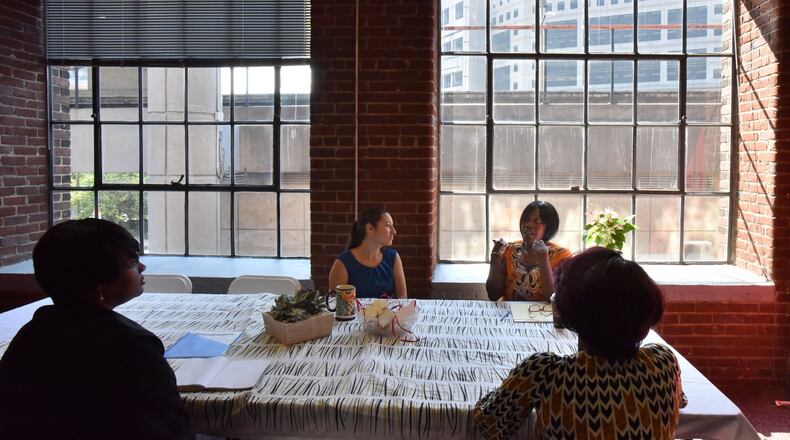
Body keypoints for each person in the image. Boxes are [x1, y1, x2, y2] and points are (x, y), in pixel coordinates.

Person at [0, 219, 192, 439]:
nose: (142, 267)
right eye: (131, 263)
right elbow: (171, 429)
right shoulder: (132, 346)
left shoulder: (32, 333)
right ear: (100, 284)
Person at [474, 247, 686, 440]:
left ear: (568, 311)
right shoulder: (663, 362)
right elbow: (680, 401)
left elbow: (490, 423)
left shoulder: (545, 372)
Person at [486, 200, 571, 302]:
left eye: (537, 221)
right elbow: (493, 295)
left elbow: (551, 297)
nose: (528, 225)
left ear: (549, 226)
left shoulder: (561, 255)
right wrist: (495, 256)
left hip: (542, 316)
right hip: (509, 315)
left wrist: (543, 258)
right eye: (526, 220)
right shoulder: (508, 250)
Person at [328, 207, 407, 298]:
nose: (394, 231)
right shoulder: (343, 263)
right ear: (370, 228)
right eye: (388, 225)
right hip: (355, 313)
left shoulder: (393, 257)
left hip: (389, 312)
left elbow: (402, 297)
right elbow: (336, 304)